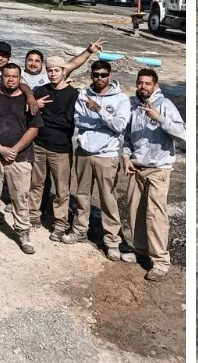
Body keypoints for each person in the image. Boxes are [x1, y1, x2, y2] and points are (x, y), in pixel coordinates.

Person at [122, 69, 186, 282]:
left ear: (155, 86)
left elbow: (183, 133)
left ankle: (160, 261)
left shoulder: (165, 105)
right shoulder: (134, 107)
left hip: (159, 169)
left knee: (155, 216)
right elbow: (128, 137)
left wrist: (159, 118)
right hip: (136, 167)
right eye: (140, 83)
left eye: (147, 83)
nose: (143, 87)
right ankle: (140, 250)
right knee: (135, 212)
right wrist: (126, 156)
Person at [0, 63, 42, 254]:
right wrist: (0, 148)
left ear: (20, 79)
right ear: (1, 77)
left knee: (20, 196)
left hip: (20, 157)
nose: (10, 79)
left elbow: (34, 128)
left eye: (14, 76)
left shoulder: (29, 101)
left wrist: (14, 149)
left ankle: (22, 231)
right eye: (6, 76)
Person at [69, 60, 132, 258]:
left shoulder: (121, 99)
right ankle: (80, 230)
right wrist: (104, 123)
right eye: (96, 74)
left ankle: (112, 240)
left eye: (103, 74)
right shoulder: (83, 94)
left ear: (110, 75)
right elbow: (78, 120)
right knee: (82, 194)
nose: (99, 78)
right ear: (91, 75)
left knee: (108, 199)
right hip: (84, 152)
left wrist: (98, 110)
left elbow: (120, 125)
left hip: (107, 155)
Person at [30, 55, 80, 241]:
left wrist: (44, 115)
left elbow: (68, 122)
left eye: (56, 70)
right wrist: (36, 108)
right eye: (49, 70)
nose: (52, 74)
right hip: (39, 145)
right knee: (36, 183)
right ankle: (33, 215)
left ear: (64, 71)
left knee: (61, 188)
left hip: (61, 149)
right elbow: (32, 117)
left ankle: (60, 223)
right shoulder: (40, 91)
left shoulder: (73, 94)